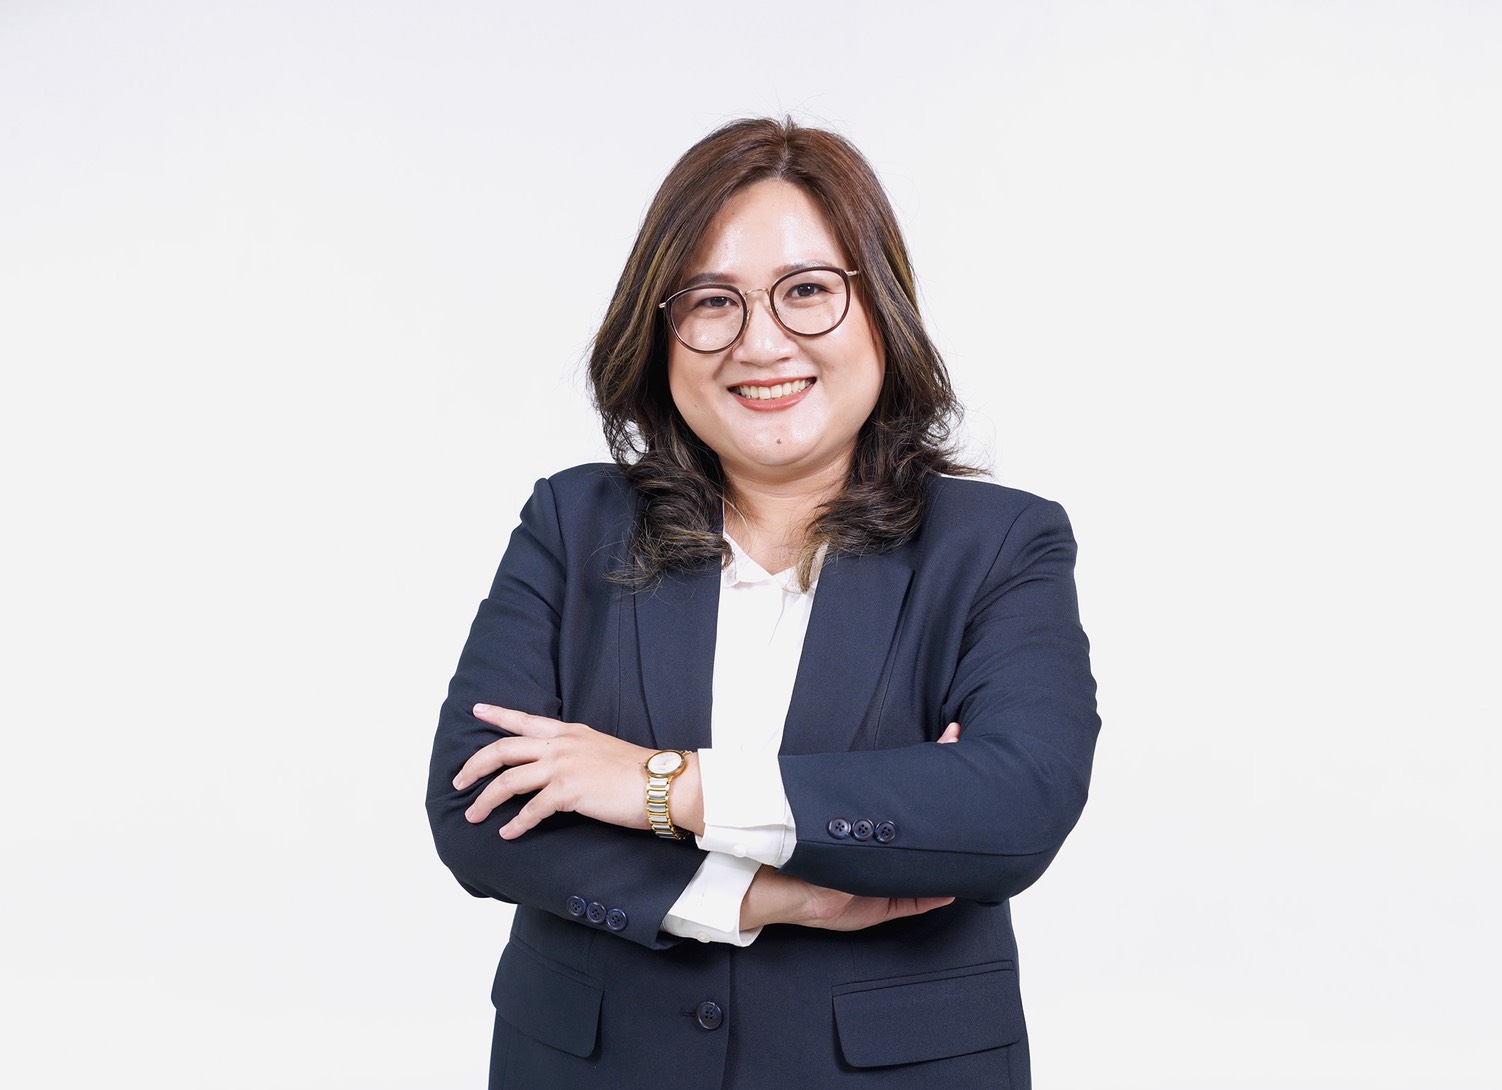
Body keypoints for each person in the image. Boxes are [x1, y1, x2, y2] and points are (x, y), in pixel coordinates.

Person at [427, 117, 1099, 1090]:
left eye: (808, 291)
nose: (762, 341)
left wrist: (658, 785)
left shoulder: (998, 543)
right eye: (712, 301)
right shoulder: (574, 525)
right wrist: (755, 895)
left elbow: (1012, 804)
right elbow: (476, 807)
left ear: (881, 308)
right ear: (659, 334)